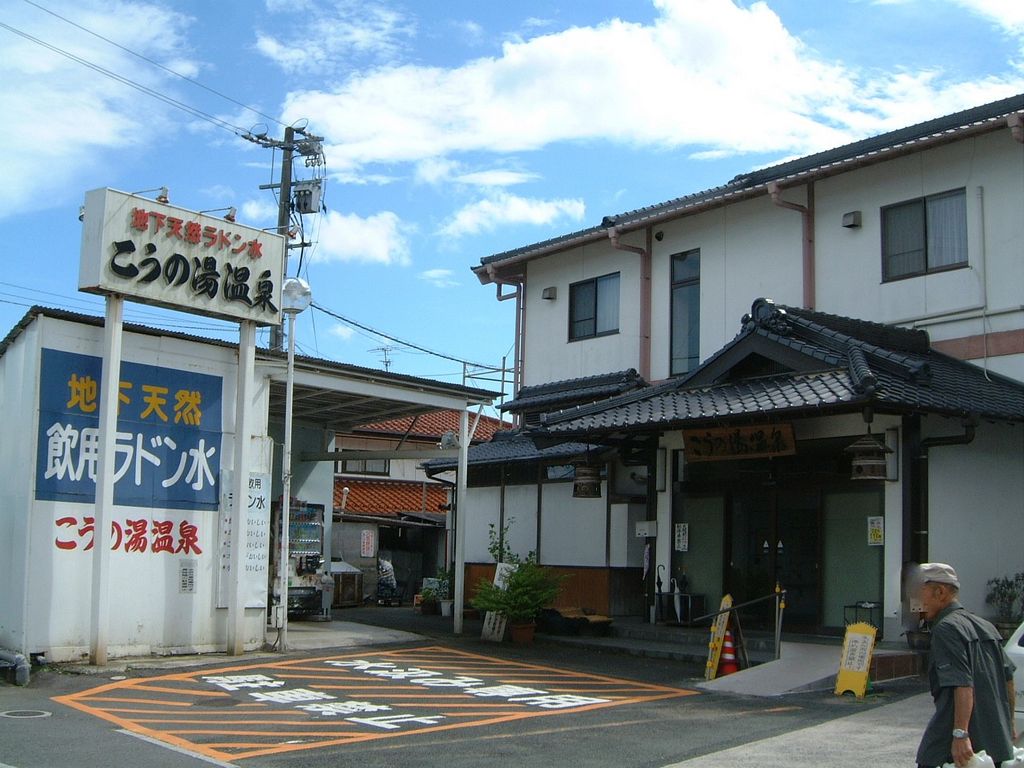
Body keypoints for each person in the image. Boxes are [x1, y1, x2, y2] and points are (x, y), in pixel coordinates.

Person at [915, 562, 1017, 768]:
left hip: (956, 746)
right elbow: (1008, 679)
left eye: (918, 591)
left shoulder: (946, 628)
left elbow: (962, 684)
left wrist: (960, 734)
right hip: (993, 744)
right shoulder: (985, 625)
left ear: (940, 592)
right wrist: (1009, 725)